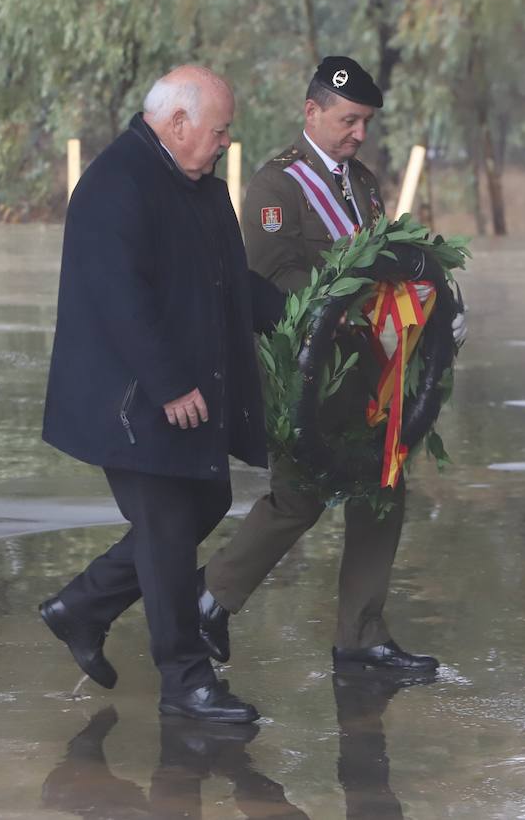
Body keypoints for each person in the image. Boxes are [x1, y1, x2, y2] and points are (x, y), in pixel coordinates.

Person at [197, 56, 465, 675]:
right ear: (312, 112)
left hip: (368, 372)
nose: (359, 133)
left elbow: (391, 263)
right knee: (298, 499)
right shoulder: (276, 186)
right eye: (349, 119)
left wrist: (432, 308)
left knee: (382, 489)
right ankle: (209, 598)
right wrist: (348, 302)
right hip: (305, 376)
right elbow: (268, 278)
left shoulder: (363, 183)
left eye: (366, 121)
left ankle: (362, 637)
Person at [39, 65, 281, 724]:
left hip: (176, 395)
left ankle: (82, 606)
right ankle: (186, 681)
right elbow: (120, 300)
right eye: (219, 130)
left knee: (205, 501)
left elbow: (230, 281)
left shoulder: (200, 187)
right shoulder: (116, 185)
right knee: (170, 527)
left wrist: (300, 311)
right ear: (177, 124)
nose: (226, 142)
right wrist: (170, 382)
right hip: (132, 401)